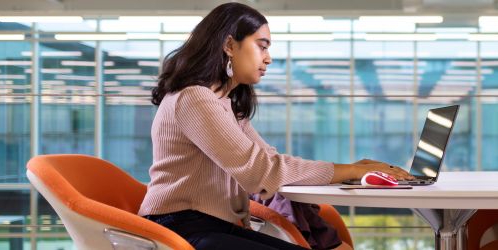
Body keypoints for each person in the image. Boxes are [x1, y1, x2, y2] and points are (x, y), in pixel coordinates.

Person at [139, 2, 413, 250]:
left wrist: (351, 170)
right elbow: (259, 172)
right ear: (229, 45)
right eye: (262, 45)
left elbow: (267, 160)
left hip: (209, 225)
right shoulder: (195, 98)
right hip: (179, 228)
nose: (268, 58)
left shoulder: (223, 103)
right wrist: (349, 170)